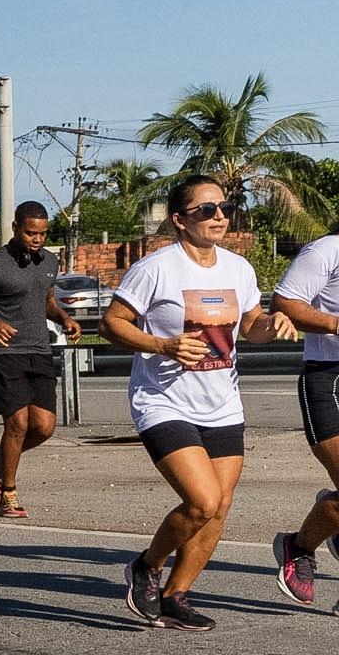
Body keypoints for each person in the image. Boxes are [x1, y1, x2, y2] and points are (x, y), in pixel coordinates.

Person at [102, 174, 297, 630]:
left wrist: (275, 324)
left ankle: (176, 596)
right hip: (163, 401)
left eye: (223, 208)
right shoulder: (156, 268)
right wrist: (163, 345)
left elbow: (251, 327)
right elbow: (112, 324)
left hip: (222, 403)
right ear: (179, 220)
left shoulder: (238, 268)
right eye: (206, 210)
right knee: (202, 499)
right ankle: (146, 566)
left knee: (220, 507)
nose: (219, 217)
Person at [0, 202, 79, 518]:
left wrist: (64, 318)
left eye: (42, 233)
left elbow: (47, 301)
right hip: (3, 353)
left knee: (43, 427)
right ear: (15, 228)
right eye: (30, 232)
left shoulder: (50, 261)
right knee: (17, 424)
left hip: (39, 350)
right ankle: (9, 494)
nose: (37, 239)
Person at [272, 230, 339, 608]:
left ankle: (332, 517)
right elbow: (285, 303)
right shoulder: (329, 249)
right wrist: (335, 324)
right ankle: (298, 547)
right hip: (329, 378)